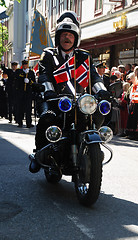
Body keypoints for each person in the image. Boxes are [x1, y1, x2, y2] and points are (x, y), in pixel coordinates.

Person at [29, 11, 110, 173]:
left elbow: (93, 76)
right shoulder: (49, 55)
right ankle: (39, 153)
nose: (67, 38)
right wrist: (49, 92)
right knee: (47, 117)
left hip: (79, 101)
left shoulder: (84, 56)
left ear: (76, 38)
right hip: (54, 99)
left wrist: (102, 91)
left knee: (99, 112)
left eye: (71, 35)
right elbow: (44, 75)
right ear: (58, 37)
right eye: (64, 34)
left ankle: (93, 151)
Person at [16, 59, 36, 128]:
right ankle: (20, 122)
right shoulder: (19, 72)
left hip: (28, 93)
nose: (25, 66)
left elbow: (34, 82)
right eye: (24, 64)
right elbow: (17, 81)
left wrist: (29, 81)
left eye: (26, 64)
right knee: (20, 108)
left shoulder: (31, 72)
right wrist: (23, 78)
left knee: (28, 108)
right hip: (21, 93)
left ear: (27, 65)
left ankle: (28, 123)